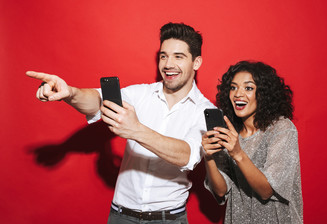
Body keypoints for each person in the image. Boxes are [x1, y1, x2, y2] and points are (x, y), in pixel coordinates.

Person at [26, 22, 215, 224]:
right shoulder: (140, 94)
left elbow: (188, 155)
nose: (168, 64)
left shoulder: (206, 111)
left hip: (169, 218)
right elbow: (97, 101)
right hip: (121, 216)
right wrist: (71, 93)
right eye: (163, 56)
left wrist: (136, 130)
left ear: (196, 63)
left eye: (179, 56)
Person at [201, 61, 303, 223]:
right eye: (233, 87)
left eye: (248, 88)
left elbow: (266, 191)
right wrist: (208, 157)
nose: (238, 94)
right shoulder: (230, 133)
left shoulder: (281, 129)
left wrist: (238, 153)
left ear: (263, 94)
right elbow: (221, 190)